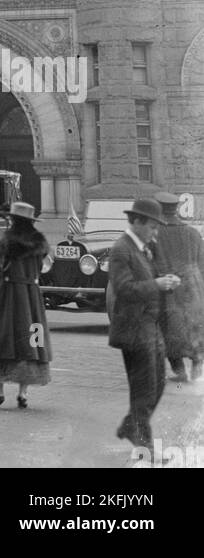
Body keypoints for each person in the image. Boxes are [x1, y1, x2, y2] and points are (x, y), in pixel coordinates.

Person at [107, 197, 181, 449]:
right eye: (152, 226)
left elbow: (151, 278)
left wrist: (165, 281)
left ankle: (132, 427)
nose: (155, 231)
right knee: (145, 389)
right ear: (136, 221)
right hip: (133, 329)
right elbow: (124, 289)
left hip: (150, 326)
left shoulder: (142, 247)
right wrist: (157, 285)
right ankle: (143, 444)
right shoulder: (121, 249)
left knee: (157, 385)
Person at [0, 201, 52, 408]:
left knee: (2, 339)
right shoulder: (40, 243)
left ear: (13, 220)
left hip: (8, 295)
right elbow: (41, 268)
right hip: (31, 297)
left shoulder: (5, 242)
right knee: (31, 340)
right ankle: (23, 393)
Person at [153, 191, 204, 383]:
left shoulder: (155, 234)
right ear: (176, 210)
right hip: (194, 288)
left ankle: (179, 370)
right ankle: (198, 369)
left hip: (169, 289)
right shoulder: (192, 232)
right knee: (195, 326)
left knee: (169, 328)